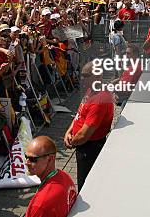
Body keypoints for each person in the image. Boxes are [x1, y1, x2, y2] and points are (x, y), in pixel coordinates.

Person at [64, 62, 114, 190]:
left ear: (98, 76)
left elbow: (84, 135)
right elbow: (79, 114)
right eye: (82, 75)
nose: (82, 78)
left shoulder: (99, 99)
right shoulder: (91, 89)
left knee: (85, 184)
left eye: (86, 75)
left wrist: (71, 142)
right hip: (82, 144)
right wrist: (68, 132)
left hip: (89, 148)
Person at [25, 136, 77, 217]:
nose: (27, 162)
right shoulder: (64, 176)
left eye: (33, 159)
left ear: (50, 159)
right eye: (26, 157)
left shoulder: (39, 206)